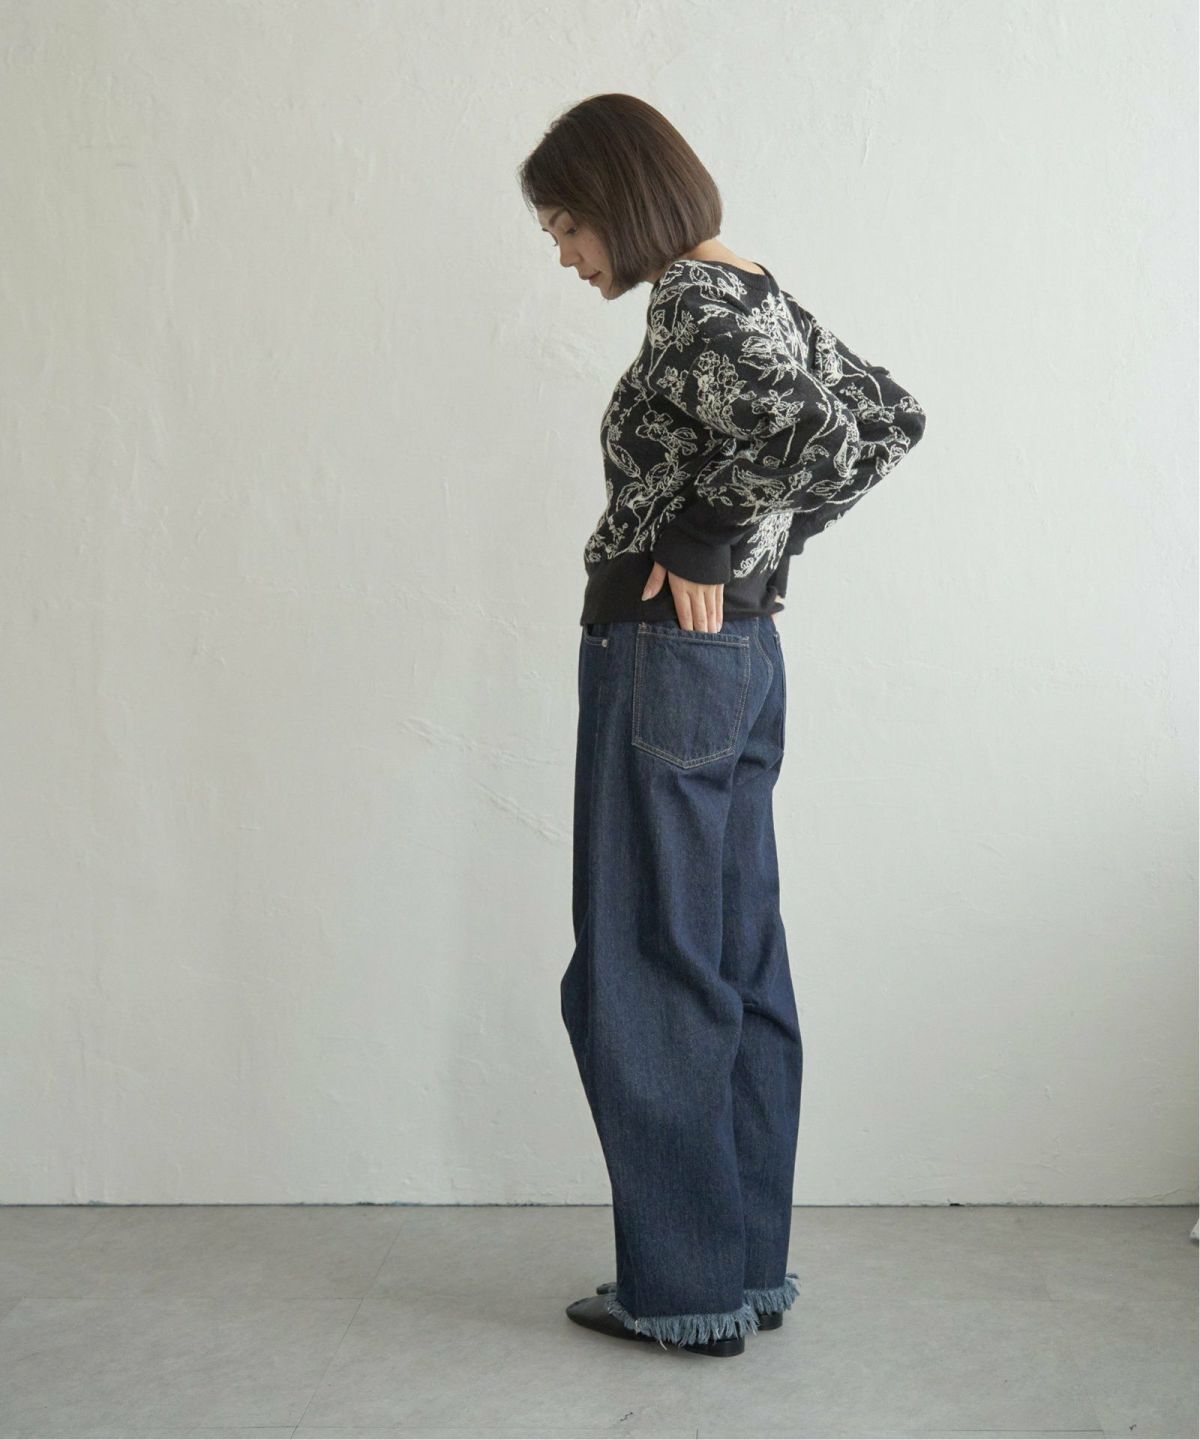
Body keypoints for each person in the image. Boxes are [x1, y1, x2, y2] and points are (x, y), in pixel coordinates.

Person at [518, 93, 928, 1359]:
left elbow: (833, 436)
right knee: (736, 956)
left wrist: (705, 537)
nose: (564, 254)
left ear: (619, 199)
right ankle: (743, 1270)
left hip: (661, 661)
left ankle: (683, 1289)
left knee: (646, 966)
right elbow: (884, 420)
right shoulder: (757, 293)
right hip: (741, 661)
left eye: (567, 223)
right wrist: (759, 549)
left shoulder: (690, 305)